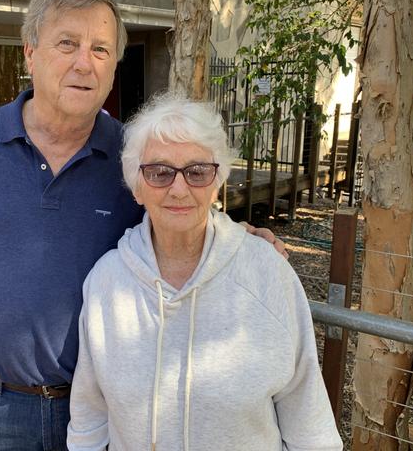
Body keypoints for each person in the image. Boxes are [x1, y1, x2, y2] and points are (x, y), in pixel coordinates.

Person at [0, 0, 285, 451]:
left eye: (101, 49)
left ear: (112, 68)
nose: (85, 62)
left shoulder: (133, 157)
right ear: (30, 52)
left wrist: (234, 237)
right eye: (68, 43)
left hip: (110, 406)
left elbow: (182, 212)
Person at [67, 95, 342, 450]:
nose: (179, 189)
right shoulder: (106, 283)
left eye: (197, 172)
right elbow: (90, 421)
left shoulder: (268, 275)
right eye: (160, 172)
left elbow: (311, 430)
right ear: (137, 187)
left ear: (216, 181)